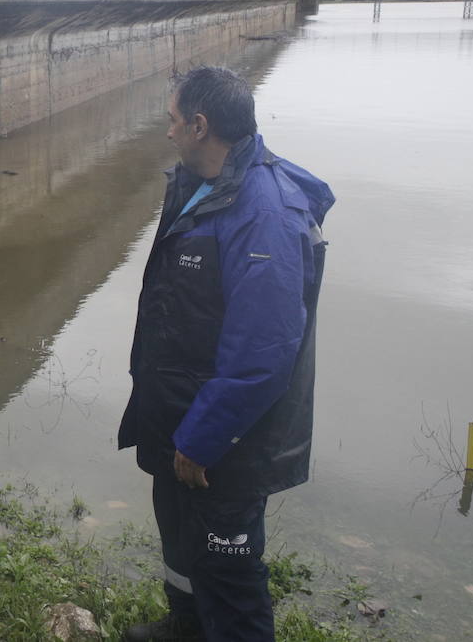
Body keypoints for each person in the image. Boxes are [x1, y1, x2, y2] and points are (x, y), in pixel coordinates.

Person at [118, 66, 334, 642]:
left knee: (228, 568)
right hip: (178, 412)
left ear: (199, 124)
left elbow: (262, 353)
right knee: (181, 538)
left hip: (224, 441)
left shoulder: (264, 215)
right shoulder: (198, 186)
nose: (166, 133)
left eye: (171, 120)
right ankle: (186, 626)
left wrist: (203, 438)